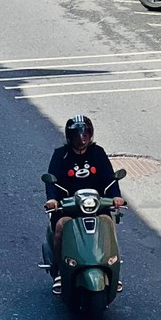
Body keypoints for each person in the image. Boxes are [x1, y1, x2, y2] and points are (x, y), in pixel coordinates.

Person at [44, 115, 123, 293]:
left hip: (96, 205)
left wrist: (115, 197)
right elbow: (52, 180)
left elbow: (110, 178)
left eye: (85, 134)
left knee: (108, 224)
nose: (82, 138)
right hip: (68, 206)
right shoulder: (61, 155)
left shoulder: (98, 153)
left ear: (91, 134)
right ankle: (60, 271)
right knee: (61, 227)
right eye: (77, 135)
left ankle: (112, 268)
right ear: (69, 136)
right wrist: (52, 200)